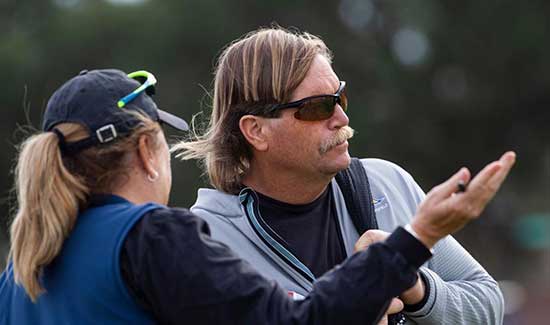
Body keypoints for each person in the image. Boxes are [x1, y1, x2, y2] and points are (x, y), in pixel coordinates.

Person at [0, 68, 495, 325]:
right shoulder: (152, 237)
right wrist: (416, 238)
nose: (339, 117)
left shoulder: (18, 272)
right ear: (149, 154)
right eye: (318, 107)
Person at [174, 27, 515, 324]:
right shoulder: (208, 242)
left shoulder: (387, 183)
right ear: (256, 131)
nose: (340, 117)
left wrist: (412, 284)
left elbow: (488, 304)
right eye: (318, 107)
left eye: (341, 97)